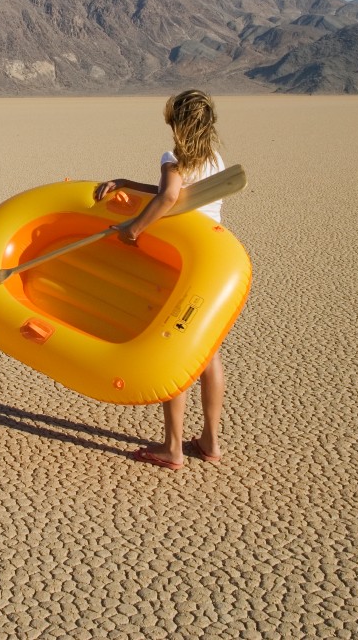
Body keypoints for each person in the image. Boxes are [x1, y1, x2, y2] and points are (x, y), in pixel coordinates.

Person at [93, 89, 228, 470]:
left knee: (177, 354)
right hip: (216, 261)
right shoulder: (215, 160)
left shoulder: (174, 158)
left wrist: (133, 229)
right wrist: (126, 183)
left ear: (177, 123)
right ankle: (210, 442)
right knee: (209, 353)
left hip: (186, 263)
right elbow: (181, 194)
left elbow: (169, 196)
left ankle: (172, 448)